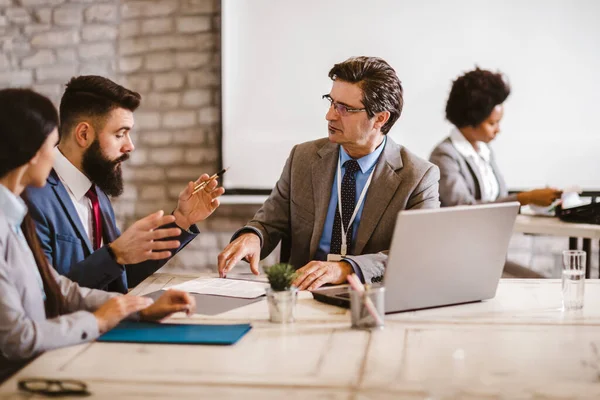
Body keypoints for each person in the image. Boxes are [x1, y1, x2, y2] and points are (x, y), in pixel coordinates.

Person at [0, 88, 196, 382]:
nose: (129, 146)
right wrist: (98, 318)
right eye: (121, 134)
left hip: (65, 355)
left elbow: (65, 286)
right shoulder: (29, 203)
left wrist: (140, 308)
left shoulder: (93, 195)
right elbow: (28, 325)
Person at [218, 56, 440, 290]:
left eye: (345, 108)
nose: (330, 115)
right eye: (332, 102)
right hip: (301, 297)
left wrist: (346, 268)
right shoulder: (303, 158)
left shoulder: (418, 177)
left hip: (371, 301)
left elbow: (416, 255)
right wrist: (254, 236)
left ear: (380, 118)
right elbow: (270, 221)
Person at [25, 76, 225, 293]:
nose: (130, 146)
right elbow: (44, 297)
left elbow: (117, 276)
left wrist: (181, 220)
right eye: (120, 134)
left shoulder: (96, 189)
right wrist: (114, 254)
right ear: (83, 134)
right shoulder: (32, 197)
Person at [429, 67, 562, 207]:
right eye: (492, 123)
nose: (498, 130)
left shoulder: (484, 150)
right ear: (470, 119)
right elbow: (462, 207)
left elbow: (499, 199)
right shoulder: (444, 155)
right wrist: (526, 198)